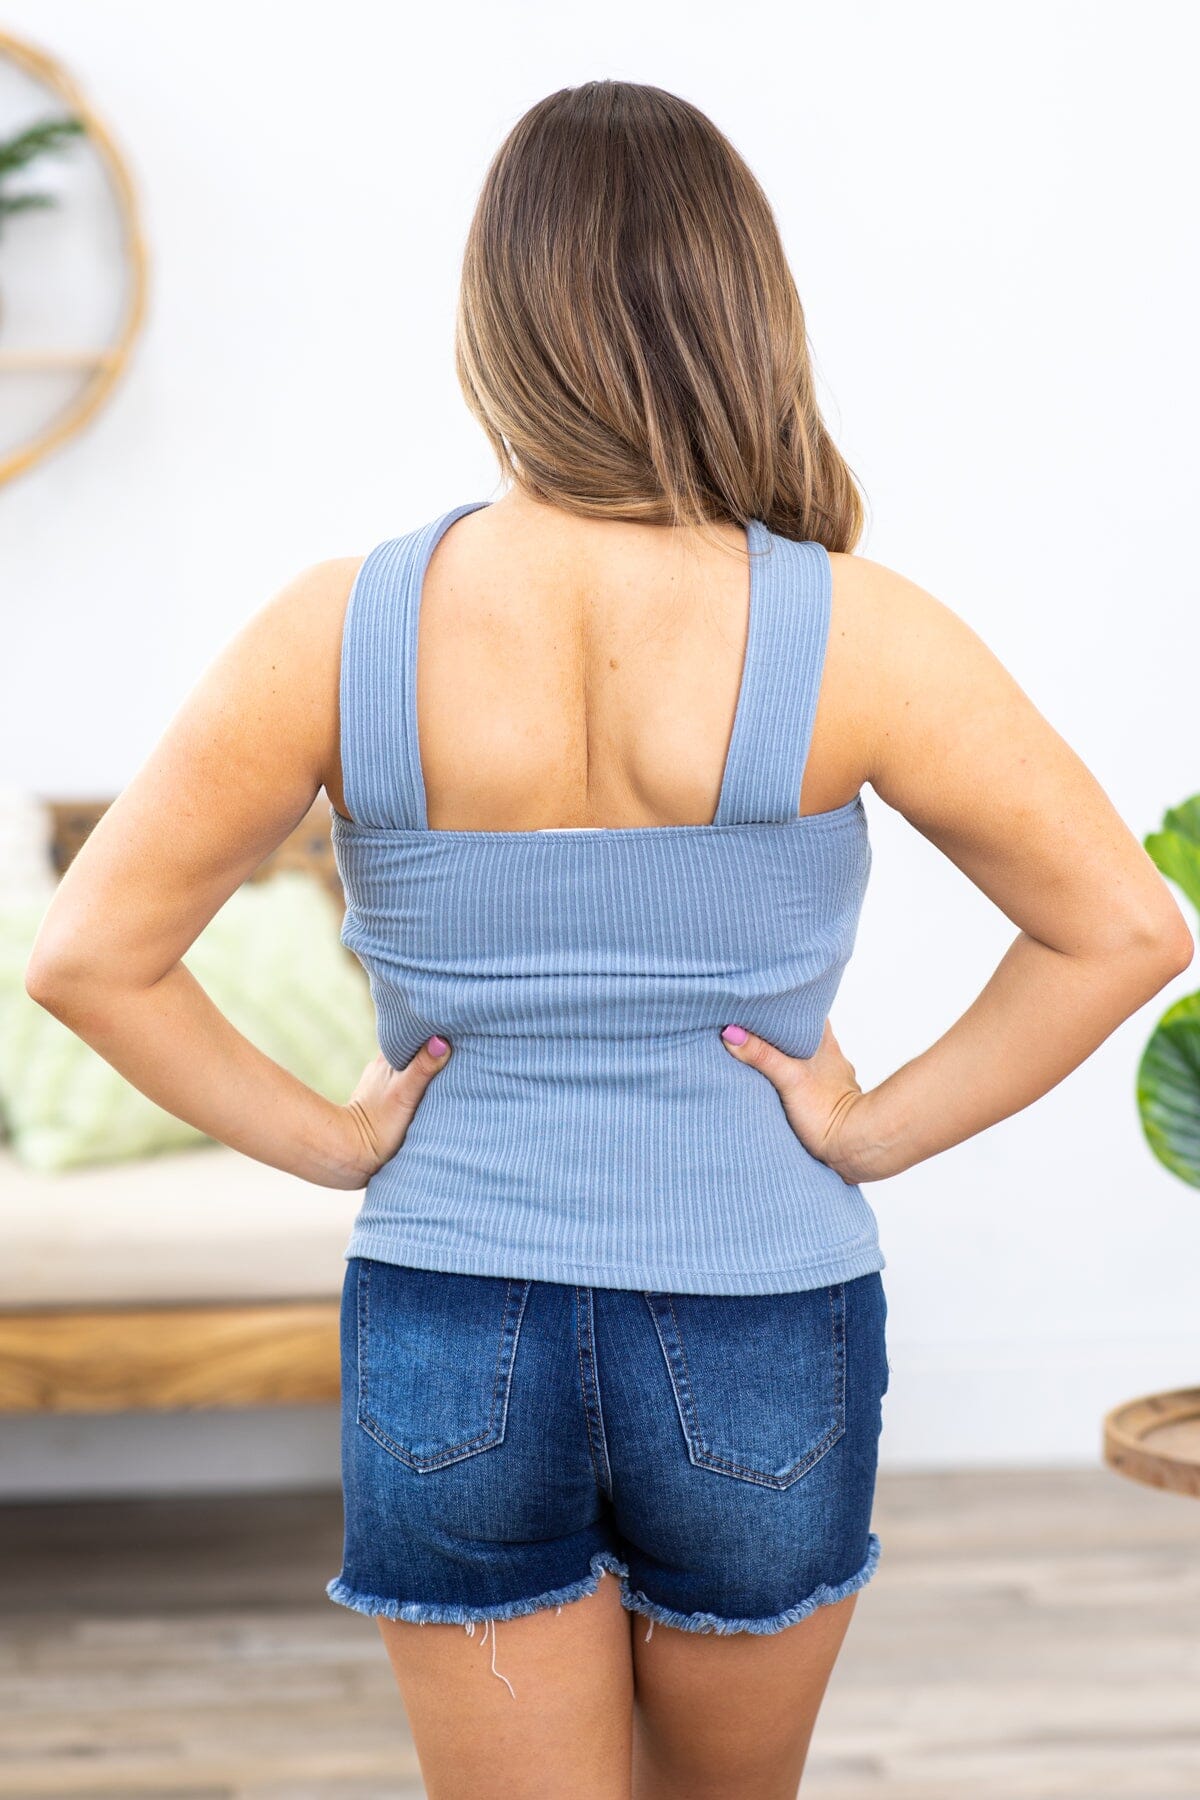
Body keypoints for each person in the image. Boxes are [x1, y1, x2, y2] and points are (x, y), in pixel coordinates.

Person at [26, 78, 1192, 1800]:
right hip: (761, 1323)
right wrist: (870, 1129)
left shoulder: (341, 628)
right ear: (743, 311)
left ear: (493, 325)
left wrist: (336, 1143)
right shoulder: (856, 632)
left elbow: (84, 955)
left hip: (449, 1318)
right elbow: (1123, 928)